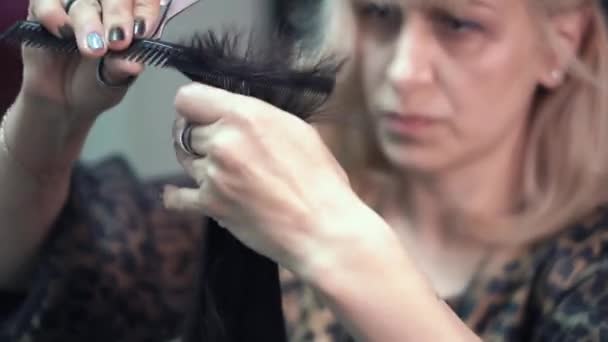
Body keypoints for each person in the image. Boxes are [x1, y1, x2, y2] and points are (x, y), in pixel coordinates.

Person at [1, 0, 608, 342]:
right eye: (380, 15)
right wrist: (44, 123)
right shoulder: (246, 215)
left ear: (561, 41)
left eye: (458, 25)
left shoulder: (589, 268)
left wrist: (330, 238)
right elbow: (26, 260)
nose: (402, 72)